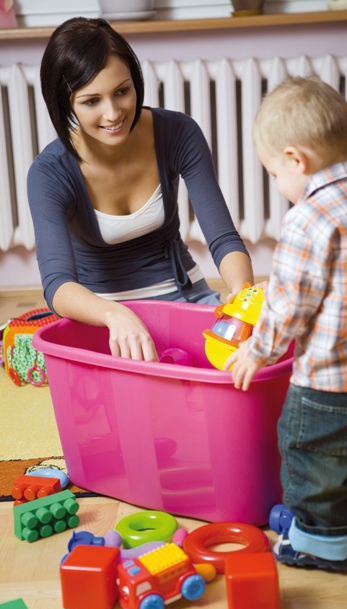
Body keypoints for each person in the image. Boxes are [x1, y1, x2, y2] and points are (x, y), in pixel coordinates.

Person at [225, 77, 347, 574]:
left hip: (332, 385)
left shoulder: (307, 218)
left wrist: (259, 351)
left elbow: (289, 304)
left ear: (296, 160)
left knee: (317, 460)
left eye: (273, 173)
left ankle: (324, 543)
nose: (279, 185)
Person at [27, 17, 253, 362]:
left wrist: (242, 297)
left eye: (122, 91)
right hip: (103, 317)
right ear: (66, 103)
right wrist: (114, 314)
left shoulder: (178, 133)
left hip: (185, 297)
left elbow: (223, 238)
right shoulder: (49, 172)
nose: (113, 113)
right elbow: (58, 284)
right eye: (91, 101)